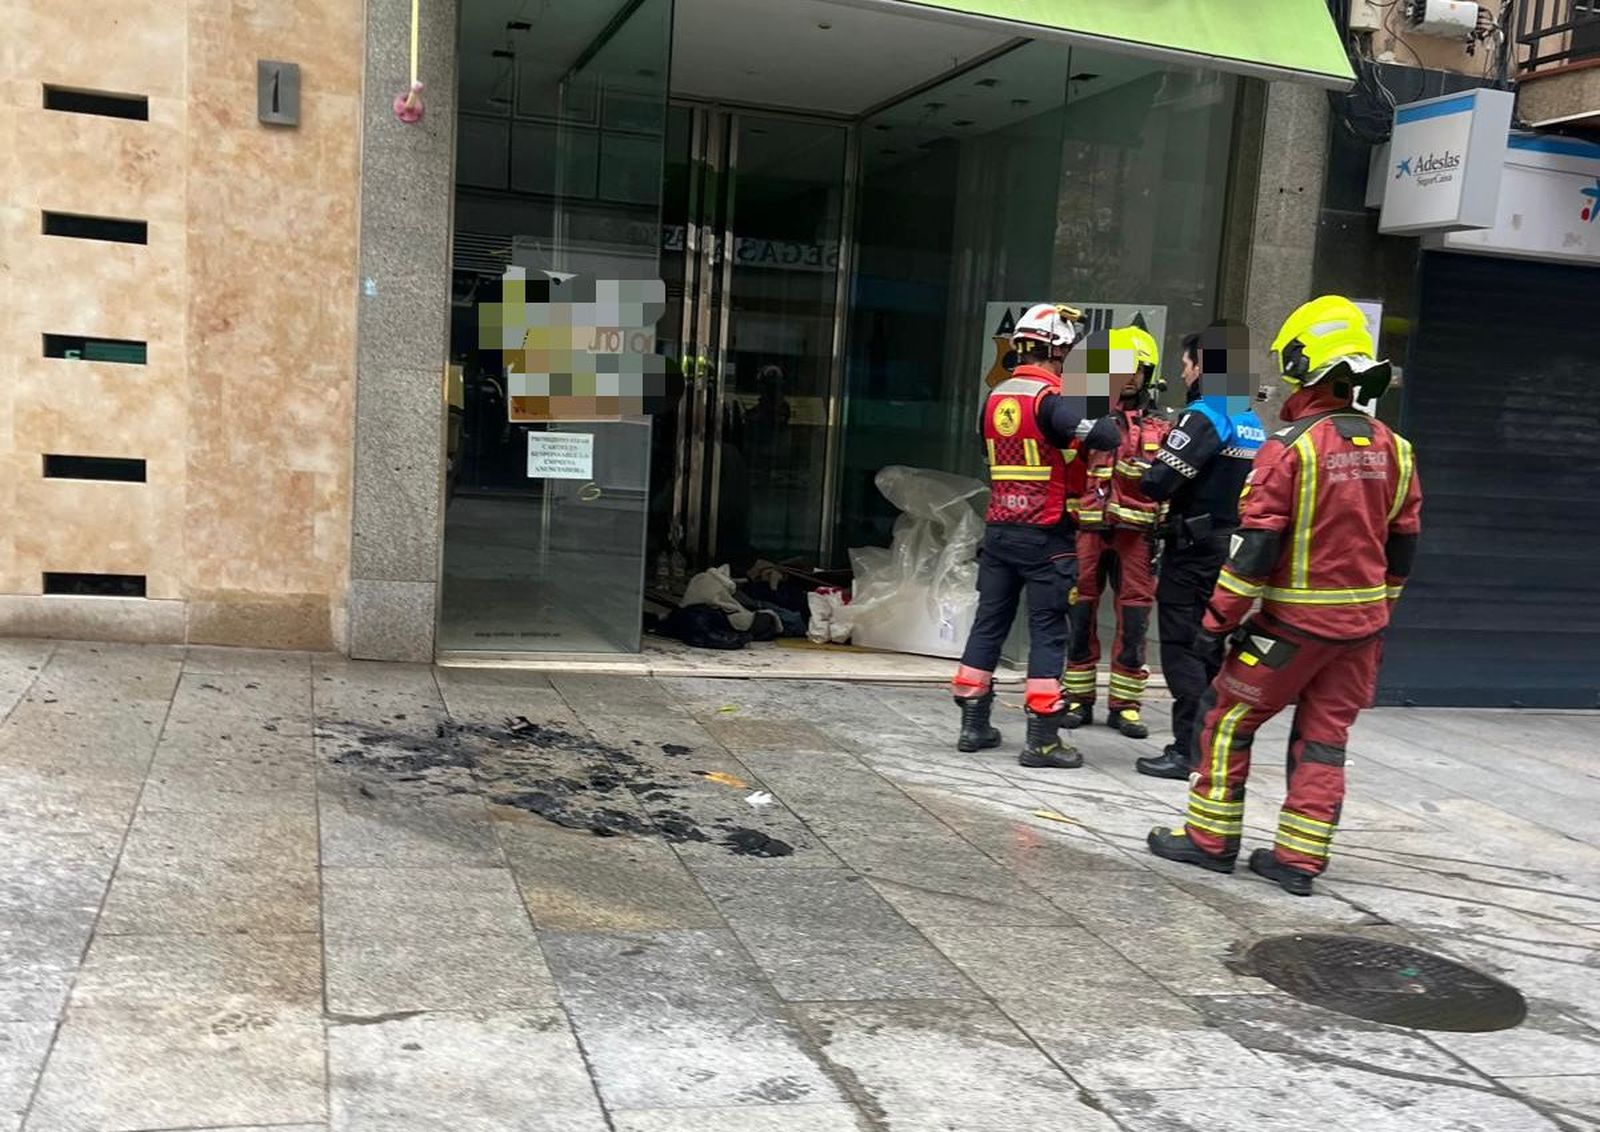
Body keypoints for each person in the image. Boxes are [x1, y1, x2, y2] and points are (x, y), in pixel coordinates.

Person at [1147, 296, 1422, 896]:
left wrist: (1217, 625)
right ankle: (1297, 862)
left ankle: (1209, 841)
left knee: (1225, 719)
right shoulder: (1396, 449)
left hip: (1291, 628)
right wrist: (1376, 615)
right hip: (1361, 632)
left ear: (1303, 362)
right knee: (1324, 737)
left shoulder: (1292, 447)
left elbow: (1254, 553)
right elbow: (1402, 550)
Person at [952, 302, 1090, 769]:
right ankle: (1043, 740)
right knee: (1049, 630)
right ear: (1055, 350)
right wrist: (1095, 389)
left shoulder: (995, 398)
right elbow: (1106, 435)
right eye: (1069, 352)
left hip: (999, 530)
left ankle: (973, 725)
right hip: (1046, 534)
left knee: (989, 622)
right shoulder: (1052, 401)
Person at [1132, 322, 1266, 779]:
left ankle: (1187, 749)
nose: (1184, 373)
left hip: (1193, 549)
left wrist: (1142, 469)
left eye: (1188, 364)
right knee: (1211, 646)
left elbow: (1159, 482)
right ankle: (1208, 746)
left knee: (1182, 647)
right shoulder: (1251, 423)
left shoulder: (1204, 416)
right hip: (1231, 547)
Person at [1062, 326, 1169, 740]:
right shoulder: (1085, 417)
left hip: (1137, 535)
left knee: (1136, 618)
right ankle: (1077, 697)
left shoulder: (1161, 425)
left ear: (1148, 373)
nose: (1126, 378)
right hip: (1088, 528)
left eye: (1135, 369)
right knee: (1081, 611)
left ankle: (1125, 704)